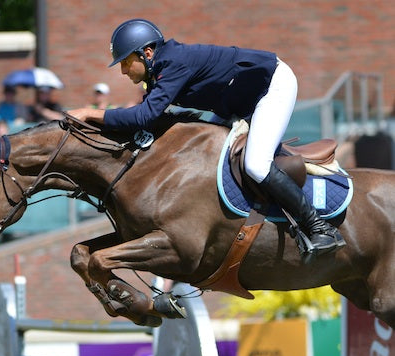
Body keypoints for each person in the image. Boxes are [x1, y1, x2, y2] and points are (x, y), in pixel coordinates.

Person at [68, 18, 345, 258]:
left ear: (147, 53)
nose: (123, 71)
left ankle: (318, 227)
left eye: (126, 62)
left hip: (272, 86)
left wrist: (93, 114)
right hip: (235, 102)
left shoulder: (173, 64)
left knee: (256, 165)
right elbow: (144, 120)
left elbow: (143, 117)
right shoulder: (158, 70)